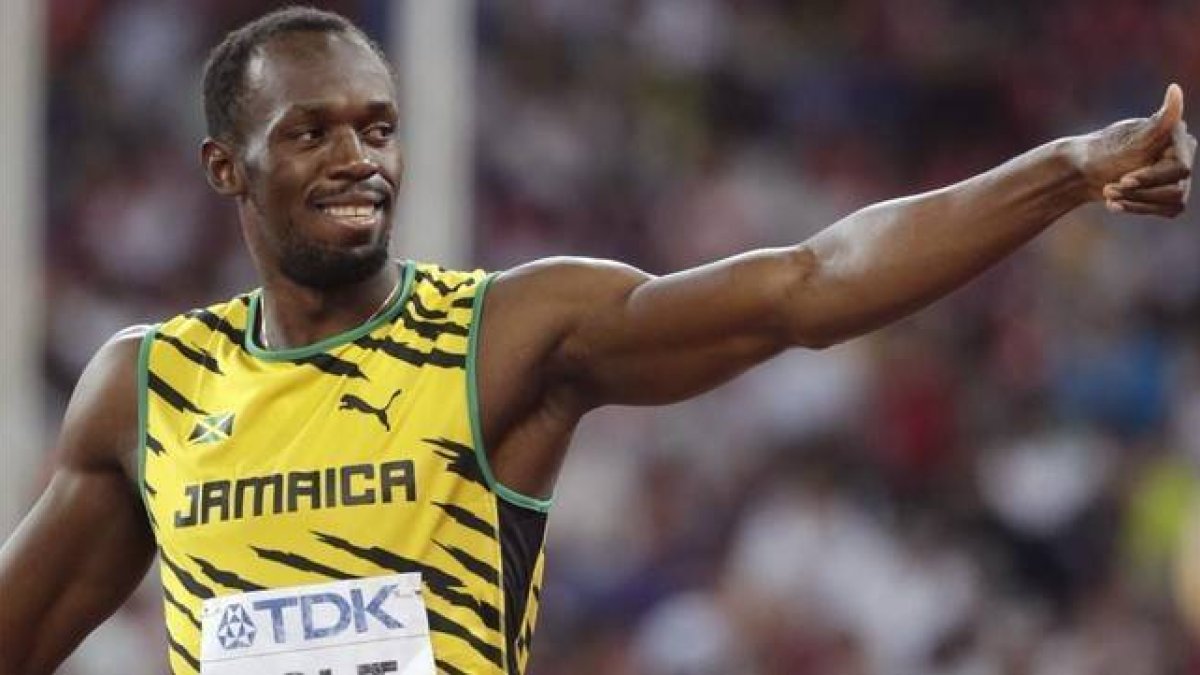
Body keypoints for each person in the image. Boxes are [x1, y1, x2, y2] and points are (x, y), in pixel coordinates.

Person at [0, 7, 1194, 675]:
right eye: (310, 133)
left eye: (378, 126)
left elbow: (804, 286)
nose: (358, 158)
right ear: (227, 168)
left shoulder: (507, 336)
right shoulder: (146, 389)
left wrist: (1066, 173)